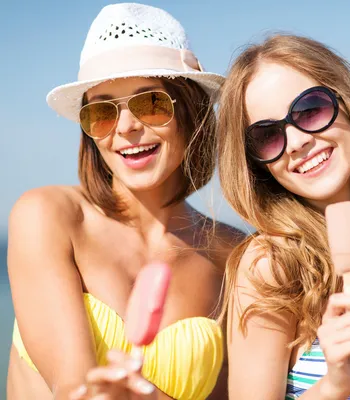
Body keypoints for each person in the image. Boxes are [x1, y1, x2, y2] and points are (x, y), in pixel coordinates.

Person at [6, 3, 242, 399]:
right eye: (102, 111)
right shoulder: (48, 216)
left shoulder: (233, 255)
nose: (127, 127)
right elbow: (73, 388)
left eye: (150, 103)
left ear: (190, 112)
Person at [216, 34, 350, 399]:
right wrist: (337, 383)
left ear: (347, 102)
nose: (296, 142)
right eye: (267, 135)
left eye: (310, 110)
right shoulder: (272, 266)